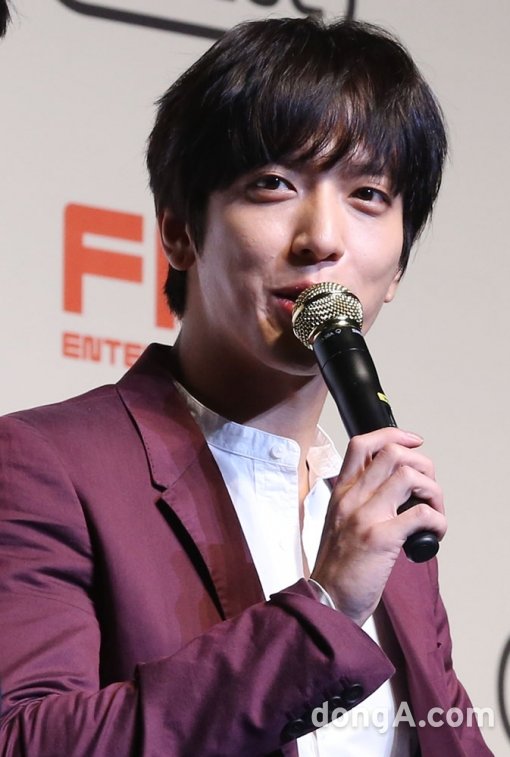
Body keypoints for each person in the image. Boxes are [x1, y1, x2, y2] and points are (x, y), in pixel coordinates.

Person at [0, 16, 493, 756]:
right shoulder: (48, 465)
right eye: (274, 184)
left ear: (397, 268)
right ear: (179, 230)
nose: (322, 238)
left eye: (367, 194)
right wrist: (326, 605)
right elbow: (25, 741)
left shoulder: (383, 510)